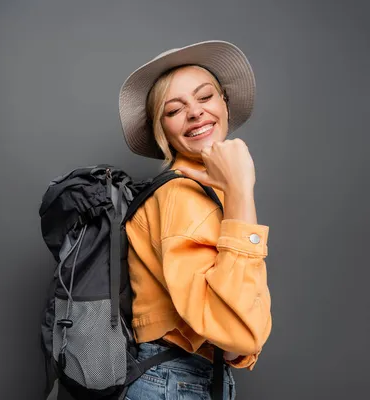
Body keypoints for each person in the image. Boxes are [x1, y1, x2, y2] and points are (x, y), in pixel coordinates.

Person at [118, 41, 272, 399]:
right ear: (162, 130)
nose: (195, 113)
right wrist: (241, 191)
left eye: (204, 97)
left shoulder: (205, 189)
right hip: (177, 381)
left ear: (225, 103)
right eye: (174, 110)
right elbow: (237, 335)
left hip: (179, 377)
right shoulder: (181, 195)